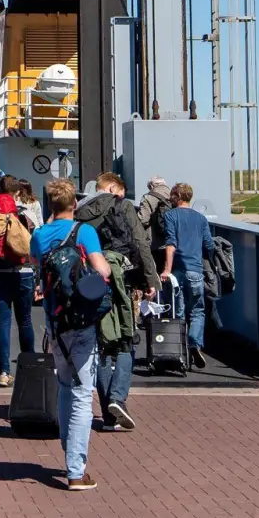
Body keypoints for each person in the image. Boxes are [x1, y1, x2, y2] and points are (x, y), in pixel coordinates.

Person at [31, 179, 109, 492]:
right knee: (81, 393)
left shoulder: (38, 235)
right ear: (74, 204)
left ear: (50, 205)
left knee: (65, 384)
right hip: (82, 321)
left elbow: (37, 265)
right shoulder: (84, 232)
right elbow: (102, 270)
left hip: (55, 321)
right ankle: (75, 470)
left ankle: (69, 451)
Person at [76, 172, 158, 432]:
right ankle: (117, 399)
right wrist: (150, 281)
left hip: (94, 285)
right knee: (125, 340)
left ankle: (109, 416)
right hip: (125, 282)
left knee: (103, 347)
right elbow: (140, 243)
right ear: (113, 188)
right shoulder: (123, 206)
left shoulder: (81, 210)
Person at [0, 176, 34, 387]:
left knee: (2, 322)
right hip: (23, 273)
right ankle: (30, 367)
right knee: (25, 321)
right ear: (18, 193)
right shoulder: (24, 215)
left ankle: (3, 372)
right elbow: (34, 246)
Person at [159, 183, 216, 370]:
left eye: (172, 195)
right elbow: (209, 245)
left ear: (177, 196)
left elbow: (171, 244)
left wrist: (167, 269)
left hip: (177, 272)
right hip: (195, 271)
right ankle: (195, 344)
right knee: (198, 311)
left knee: (178, 312)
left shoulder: (170, 216)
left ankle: (181, 353)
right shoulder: (201, 219)